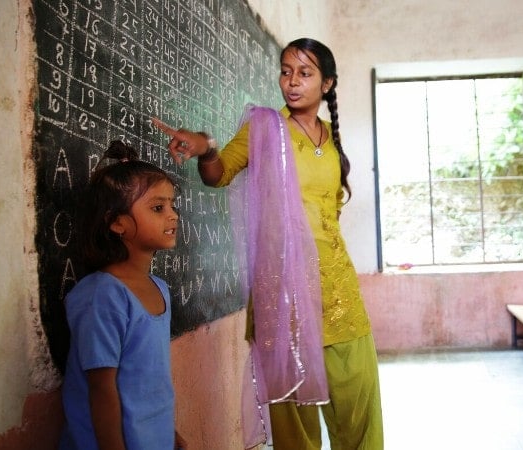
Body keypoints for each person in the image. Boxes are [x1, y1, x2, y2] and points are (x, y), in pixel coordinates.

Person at [152, 38, 383, 450]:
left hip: (338, 290)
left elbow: (329, 216)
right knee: (294, 415)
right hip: (285, 293)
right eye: (286, 71)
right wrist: (207, 147)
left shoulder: (331, 140)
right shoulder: (264, 128)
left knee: (358, 403)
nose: (292, 82)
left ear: (326, 84)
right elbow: (218, 174)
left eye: (305, 73)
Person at [59, 141, 187, 449]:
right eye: (158, 208)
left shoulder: (159, 289)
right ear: (117, 222)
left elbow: (148, 381)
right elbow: (102, 391)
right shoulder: (102, 296)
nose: (172, 216)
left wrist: (169, 434)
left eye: (172, 206)